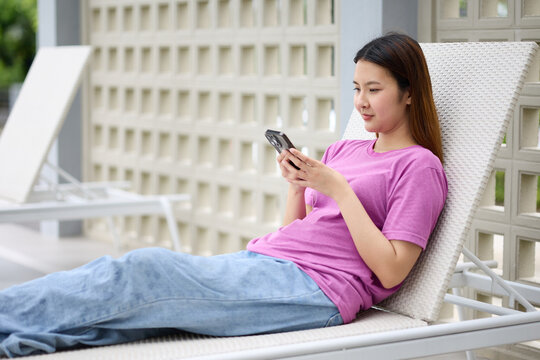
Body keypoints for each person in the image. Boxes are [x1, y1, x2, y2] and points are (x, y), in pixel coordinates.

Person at [0, 32, 447, 358]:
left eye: (374, 90)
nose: (362, 102)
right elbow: (294, 232)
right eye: (356, 89)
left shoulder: (418, 166)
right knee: (134, 299)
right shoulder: (345, 149)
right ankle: (16, 336)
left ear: (409, 94)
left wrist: (340, 191)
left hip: (315, 291)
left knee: (143, 270)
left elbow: (391, 270)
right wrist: (297, 186)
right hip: (266, 264)